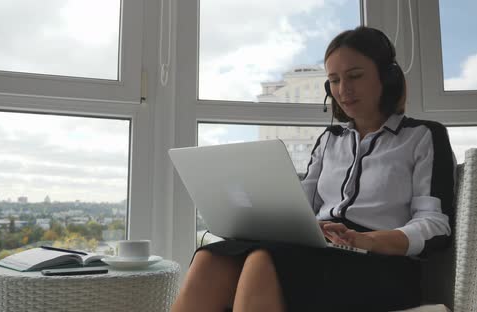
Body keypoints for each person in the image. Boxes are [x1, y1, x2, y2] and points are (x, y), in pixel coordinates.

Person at [171, 26, 455, 312]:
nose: (343, 90)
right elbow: (301, 207)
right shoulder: (330, 139)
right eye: (334, 80)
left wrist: (368, 240)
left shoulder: (423, 136)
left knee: (263, 260)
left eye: (355, 76)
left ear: (388, 77)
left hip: (383, 265)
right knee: (212, 258)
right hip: (322, 251)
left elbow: (436, 226)